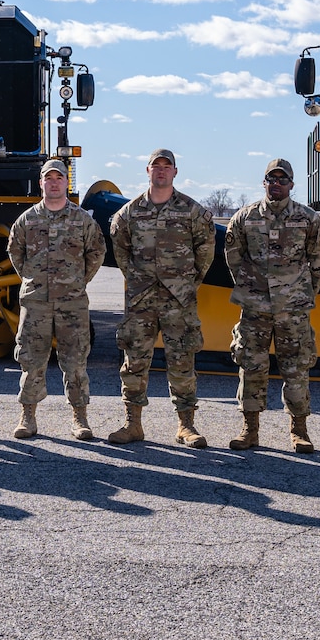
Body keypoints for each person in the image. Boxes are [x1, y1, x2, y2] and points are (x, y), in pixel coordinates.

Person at [107, 148, 216, 447]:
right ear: (148, 171)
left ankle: (186, 426)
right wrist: (138, 280)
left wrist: (187, 282)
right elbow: (121, 251)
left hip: (178, 301)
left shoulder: (192, 211)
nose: (162, 171)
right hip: (141, 301)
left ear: (175, 172)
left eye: (167, 167)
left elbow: (205, 251)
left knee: (182, 361)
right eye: (157, 166)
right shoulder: (129, 213)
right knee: (134, 362)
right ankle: (132, 424)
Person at [223, 157, 320, 452]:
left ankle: (299, 430)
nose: (277, 184)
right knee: (250, 365)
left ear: (292, 185)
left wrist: (301, 292)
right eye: (272, 179)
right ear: (264, 182)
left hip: (292, 308)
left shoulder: (309, 219)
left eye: (283, 180)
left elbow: (319, 261)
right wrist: (251, 286)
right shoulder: (245, 218)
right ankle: (250, 429)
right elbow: (234, 256)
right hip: (255, 307)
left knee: (296, 367)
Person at [4, 158, 105, 440]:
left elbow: (96, 253)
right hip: (36, 302)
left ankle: (80, 417)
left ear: (66, 182)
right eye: (49, 178)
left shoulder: (82, 220)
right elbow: (15, 252)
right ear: (41, 183)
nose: (54, 182)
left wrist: (77, 282)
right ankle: (28, 416)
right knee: (31, 359)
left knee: (75, 361)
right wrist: (33, 278)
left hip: (72, 303)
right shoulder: (27, 219)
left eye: (59, 178)